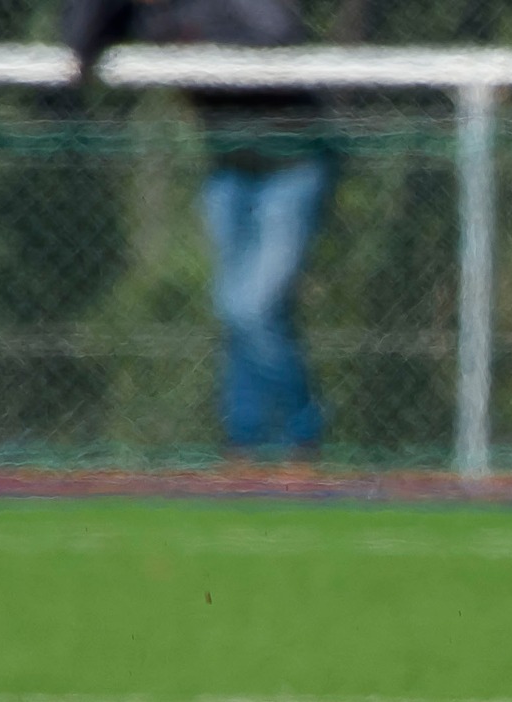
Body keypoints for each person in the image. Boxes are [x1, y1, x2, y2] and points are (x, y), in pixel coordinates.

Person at [65, 0, 335, 457]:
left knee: (250, 308)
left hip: (292, 163)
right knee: (234, 314)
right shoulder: (147, 12)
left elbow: (277, 35)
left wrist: (190, 29)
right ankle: (245, 443)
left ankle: (301, 434)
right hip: (229, 168)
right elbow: (82, 33)